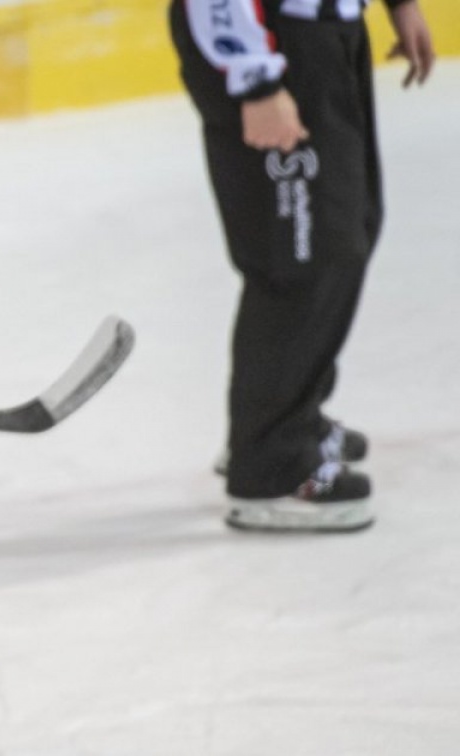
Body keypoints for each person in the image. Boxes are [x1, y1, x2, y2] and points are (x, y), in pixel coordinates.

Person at [168, 0, 434, 532]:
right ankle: (268, 465)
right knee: (298, 257)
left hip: (324, 38)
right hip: (268, 44)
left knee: (346, 232)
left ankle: (289, 419)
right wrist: (256, 79)